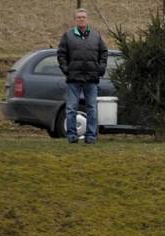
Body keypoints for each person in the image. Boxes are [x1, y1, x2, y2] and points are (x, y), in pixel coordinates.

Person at [57, 8, 107, 144]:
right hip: (73, 78)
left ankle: (91, 136)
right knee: (72, 108)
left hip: (91, 78)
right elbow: (61, 54)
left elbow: (104, 53)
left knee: (91, 108)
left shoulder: (96, 36)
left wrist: (100, 69)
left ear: (87, 19)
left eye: (83, 17)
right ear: (75, 20)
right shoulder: (67, 36)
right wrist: (67, 70)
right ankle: (72, 135)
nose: (81, 19)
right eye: (79, 17)